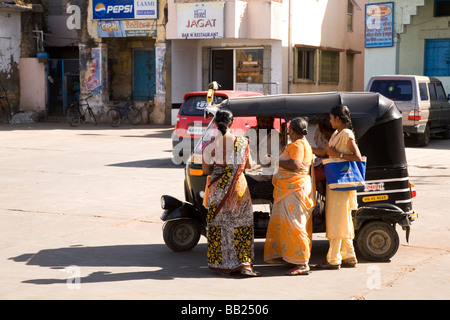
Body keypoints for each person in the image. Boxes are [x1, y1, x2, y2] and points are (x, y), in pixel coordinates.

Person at [202, 109, 260, 277]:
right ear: (232, 123)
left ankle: (223, 265)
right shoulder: (243, 142)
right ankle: (244, 264)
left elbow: (206, 169)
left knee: (220, 225)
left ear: (215, 124)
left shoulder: (210, 144)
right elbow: (248, 166)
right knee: (241, 224)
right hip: (239, 188)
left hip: (218, 187)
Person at [264, 117, 315, 275]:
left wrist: (274, 160)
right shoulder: (301, 143)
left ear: (292, 131)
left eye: (289, 131)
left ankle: (302, 263)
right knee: (291, 224)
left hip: (294, 189)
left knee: (295, 225)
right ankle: (292, 258)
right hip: (293, 188)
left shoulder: (299, 144)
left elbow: (295, 165)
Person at [315, 105, 363, 270]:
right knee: (343, 219)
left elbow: (357, 156)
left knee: (336, 219)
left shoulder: (347, 134)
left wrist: (338, 155)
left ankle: (334, 259)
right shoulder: (336, 134)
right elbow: (324, 152)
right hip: (335, 182)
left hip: (341, 184)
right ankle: (349, 256)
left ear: (337, 118)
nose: (330, 121)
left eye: (331, 118)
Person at [245, 116, 282, 201]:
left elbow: (279, 157)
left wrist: (271, 159)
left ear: (273, 122)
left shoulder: (276, 136)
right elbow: (243, 149)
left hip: (267, 177)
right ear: (257, 120)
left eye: (268, 122)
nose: (265, 124)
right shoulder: (250, 132)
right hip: (251, 174)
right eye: (263, 121)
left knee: (274, 190)